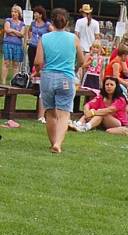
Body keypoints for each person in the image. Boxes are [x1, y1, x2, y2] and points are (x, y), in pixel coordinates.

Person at [35, 7, 84, 153]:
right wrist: (74, 69)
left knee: (50, 112)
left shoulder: (44, 38)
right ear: (67, 22)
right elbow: (82, 60)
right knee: (64, 114)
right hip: (66, 78)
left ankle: (53, 142)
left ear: (51, 21)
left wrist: (37, 72)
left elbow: (38, 62)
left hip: (48, 77)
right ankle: (58, 143)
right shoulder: (73, 38)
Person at [2, 5, 26, 85]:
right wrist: (16, 32)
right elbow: (7, 30)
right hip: (7, 44)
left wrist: (12, 31)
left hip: (18, 45)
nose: (13, 13)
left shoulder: (22, 24)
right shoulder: (8, 20)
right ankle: (3, 82)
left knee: (16, 64)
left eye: (15, 12)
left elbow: (22, 34)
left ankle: (14, 82)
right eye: (12, 11)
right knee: (6, 63)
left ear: (19, 13)